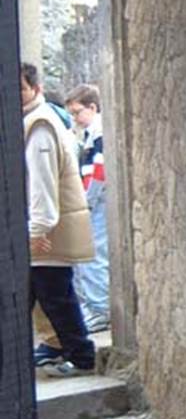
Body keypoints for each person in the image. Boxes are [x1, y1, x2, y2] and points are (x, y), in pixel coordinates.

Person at [21, 62, 96, 377]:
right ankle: (61, 348)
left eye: (20, 88)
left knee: (55, 296)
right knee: (45, 295)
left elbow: (42, 183)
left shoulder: (39, 126)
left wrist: (37, 228)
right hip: (45, 226)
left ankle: (81, 357)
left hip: (47, 229)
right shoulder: (34, 121)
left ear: (35, 89)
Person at [66, 84, 111, 333]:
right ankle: (95, 306)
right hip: (91, 199)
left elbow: (100, 172)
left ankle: (101, 308)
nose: (75, 118)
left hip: (97, 201)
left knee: (95, 255)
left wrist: (87, 200)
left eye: (77, 112)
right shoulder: (87, 133)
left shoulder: (99, 131)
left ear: (92, 107)